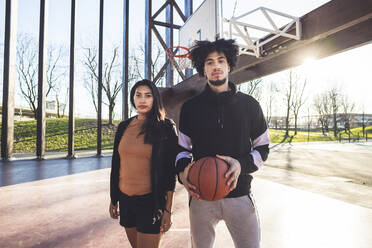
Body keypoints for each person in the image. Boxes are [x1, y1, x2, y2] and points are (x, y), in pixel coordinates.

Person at [175, 38, 270, 248]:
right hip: (201, 196)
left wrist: (241, 165)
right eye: (209, 62)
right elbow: (181, 150)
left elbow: (263, 149)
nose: (216, 65)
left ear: (229, 65)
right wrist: (183, 172)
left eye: (221, 60)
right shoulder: (190, 108)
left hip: (240, 194)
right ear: (203, 68)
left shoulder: (250, 105)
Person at [109, 79, 178, 248]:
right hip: (126, 201)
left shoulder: (166, 127)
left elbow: (170, 173)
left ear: (155, 99)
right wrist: (113, 199)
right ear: (132, 99)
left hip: (151, 202)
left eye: (148, 96)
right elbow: (117, 164)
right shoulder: (124, 126)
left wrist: (168, 210)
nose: (142, 100)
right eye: (138, 95)